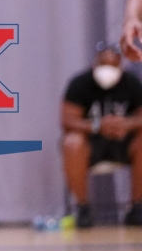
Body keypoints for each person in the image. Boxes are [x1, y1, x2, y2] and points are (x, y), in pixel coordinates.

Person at [61, 43, 142, 228]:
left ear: (120, 65)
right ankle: (83, 209)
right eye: (103, 64)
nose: (107, 70)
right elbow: (67, 121)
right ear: (95, 64)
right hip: (91, 143)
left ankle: (137, 208)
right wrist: (98, 126)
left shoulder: (131, 83)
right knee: (71, 142)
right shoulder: (80, 84)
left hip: (123, 142)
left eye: (112, 65)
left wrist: (125, 123)